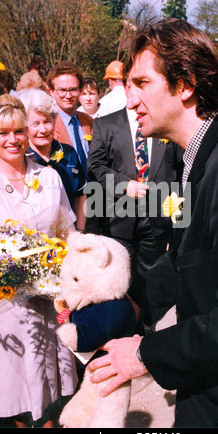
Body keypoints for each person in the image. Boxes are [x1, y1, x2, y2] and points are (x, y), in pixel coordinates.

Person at [88, 19, 218, 428]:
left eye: (142, 83)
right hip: (204, 388)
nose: (130, 100)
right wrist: (117, 302)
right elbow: (182, 261)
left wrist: (144, 354)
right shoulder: (196, 160)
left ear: (186, 84)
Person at [0, 95, 78, 427]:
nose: (12, 140)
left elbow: (66, 233)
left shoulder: (51, 177)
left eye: (17, 131)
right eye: (2, 133)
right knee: (14, 393)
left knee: (50, 389)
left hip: (49, 302)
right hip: (5, 308)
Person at [87, 105, 183, 314]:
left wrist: (179, 219)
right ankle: (124, 324)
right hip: (117, 219)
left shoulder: (164, 121)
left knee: (152, 277)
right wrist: (124, 185)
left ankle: (148, 325)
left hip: (157, 218)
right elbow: (95, 166)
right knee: (120, 279)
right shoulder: (106, 124)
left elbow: (178, 170)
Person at [18, 88, 87, 233]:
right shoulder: (20, 157)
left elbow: (81, 194)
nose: (43, 129)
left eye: (47, 122)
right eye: (35, 123)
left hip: (69, 234)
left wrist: (79, 231)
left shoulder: (68, 153)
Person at [46, 61, 93, 180]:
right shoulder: (47, 126)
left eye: (72, 89)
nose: (68, 96)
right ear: (51, 91)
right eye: (62, 90)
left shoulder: (88, 121)